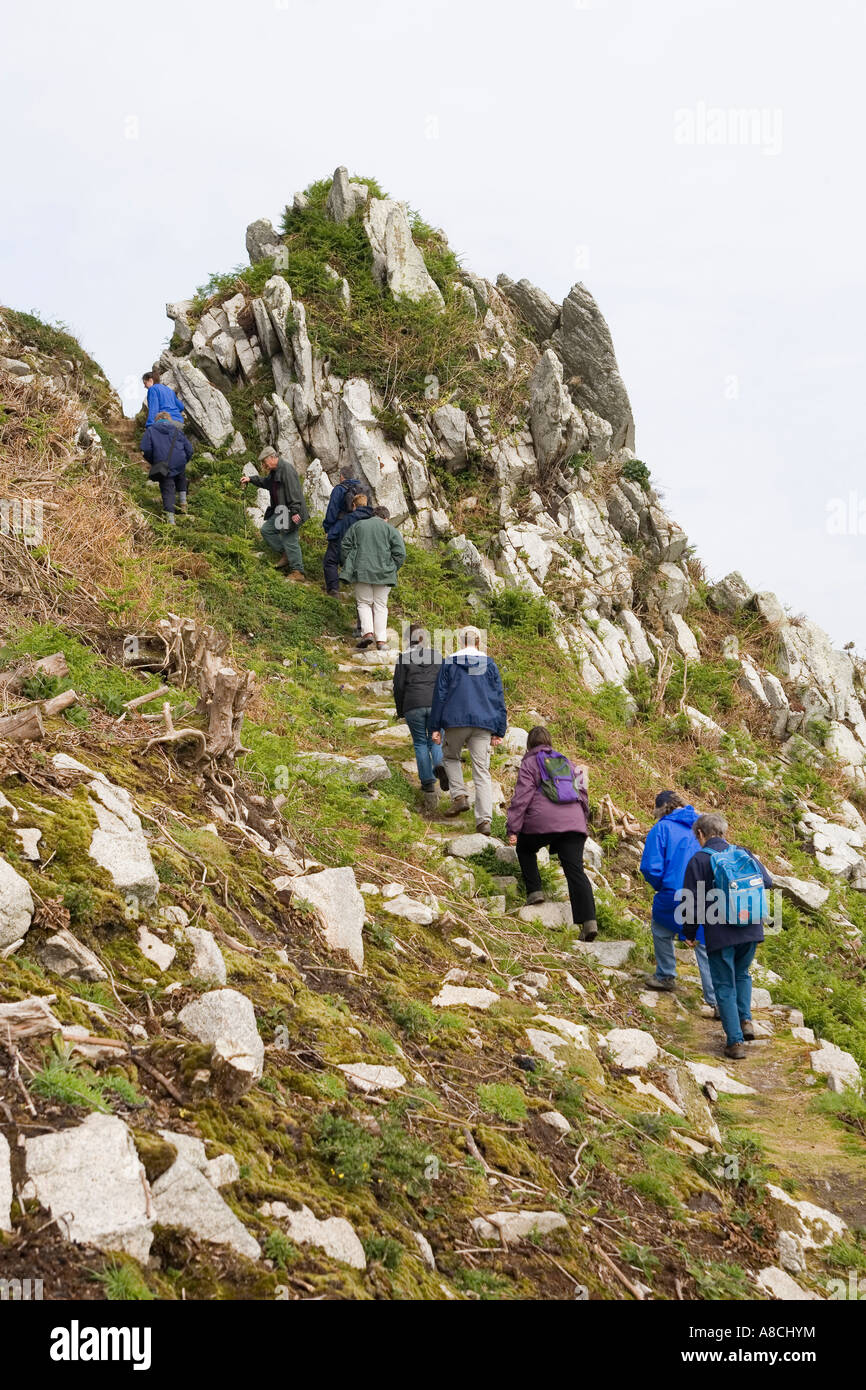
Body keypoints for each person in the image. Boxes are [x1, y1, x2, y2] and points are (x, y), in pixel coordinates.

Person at [680, 812, 773, 1060]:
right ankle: (746, 1021)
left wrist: (689, 933)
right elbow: (767, 882)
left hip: (720, 933)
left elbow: (691, 902)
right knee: (742, 975)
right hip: (751, 928)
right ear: (723, 831)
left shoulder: (699, 860)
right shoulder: (743, 853)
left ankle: (735, 1042)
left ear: (700, 834)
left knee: (723, 985)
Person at [506, 726, 598, 942]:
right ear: (550, 742)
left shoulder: (530, 763)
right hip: (573, 823)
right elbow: (583, 793)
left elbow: (521, 798)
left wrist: (513, 829)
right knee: (575, 870)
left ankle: (535, 891)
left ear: (529, 744)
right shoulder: (568, 762)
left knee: (525, 848)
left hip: (542, 821)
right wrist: (580, 821)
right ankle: (589, 921)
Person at [639, 790, 717, 1013]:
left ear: (661, 809)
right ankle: (716, 1000)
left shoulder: (662, 828)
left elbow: (650, 867)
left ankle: (665, 975)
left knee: (661, 928)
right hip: (704, 894)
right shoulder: (703, 827)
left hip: (673, 893)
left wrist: (660, 885)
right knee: (704, 943)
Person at [429, 627, 506, 837]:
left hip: (455, 720)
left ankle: (460, 796)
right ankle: (484, 821)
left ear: (461, 642)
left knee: (450, 757)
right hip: (484, 723)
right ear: (478, 642)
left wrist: (435, 727)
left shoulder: (450, 663)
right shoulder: (489, 664)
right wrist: (500, 730)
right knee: (482, 771)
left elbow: (440, 696)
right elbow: (498, 697)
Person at [393, 625, 446, 812]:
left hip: (413, 704)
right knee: (436, 739)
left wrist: (401, 711)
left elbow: (398, 687)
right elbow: (446, 682)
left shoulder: (403, 658)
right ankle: (440, 764)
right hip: (435, 704)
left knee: (420, 742)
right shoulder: (438, 656)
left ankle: (428, 782)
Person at [339, 505, 405, 649]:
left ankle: (367, 633)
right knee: (380, 605)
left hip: (361, 571)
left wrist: (350, 565)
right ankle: (381, 641)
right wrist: (392, 568)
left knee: (364, 603)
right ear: (386, 518)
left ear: (373, 515)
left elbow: (345, 546)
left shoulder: (358, 525)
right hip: (384, 574)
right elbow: (400, 553)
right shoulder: (390, 529)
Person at [241, 446, 309, 578]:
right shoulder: (274, 471)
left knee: (289, 538)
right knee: (267, 530)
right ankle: (286, 554)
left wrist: (294, 513)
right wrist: (251, 479)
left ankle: (298, 572)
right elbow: (266, 483)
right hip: (281, 510)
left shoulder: (286, 470)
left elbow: (294, 492)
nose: (264, 465)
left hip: (292, 511)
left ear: (272, 458)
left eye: (265, 462)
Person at [139, 411, 193, 524]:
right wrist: (184, 460)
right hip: (179, 461)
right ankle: (183, 504)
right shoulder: (177, 429)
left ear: (157, 420)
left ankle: (171, 521)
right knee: (181, 475)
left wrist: (154, 461)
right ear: (168, 419)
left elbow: (145, 448)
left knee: (167, 488)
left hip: (163, 463)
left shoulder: (151, 430)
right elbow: (189, 449)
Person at [322, 465, 364, 594]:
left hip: (341, 527)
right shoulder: (364, 489)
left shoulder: (339, 489)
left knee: (330, 560)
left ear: (342, 476)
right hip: (360, 527)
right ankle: (357, 589)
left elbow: (332, 510)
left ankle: (333, 590)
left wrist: (328, 527)